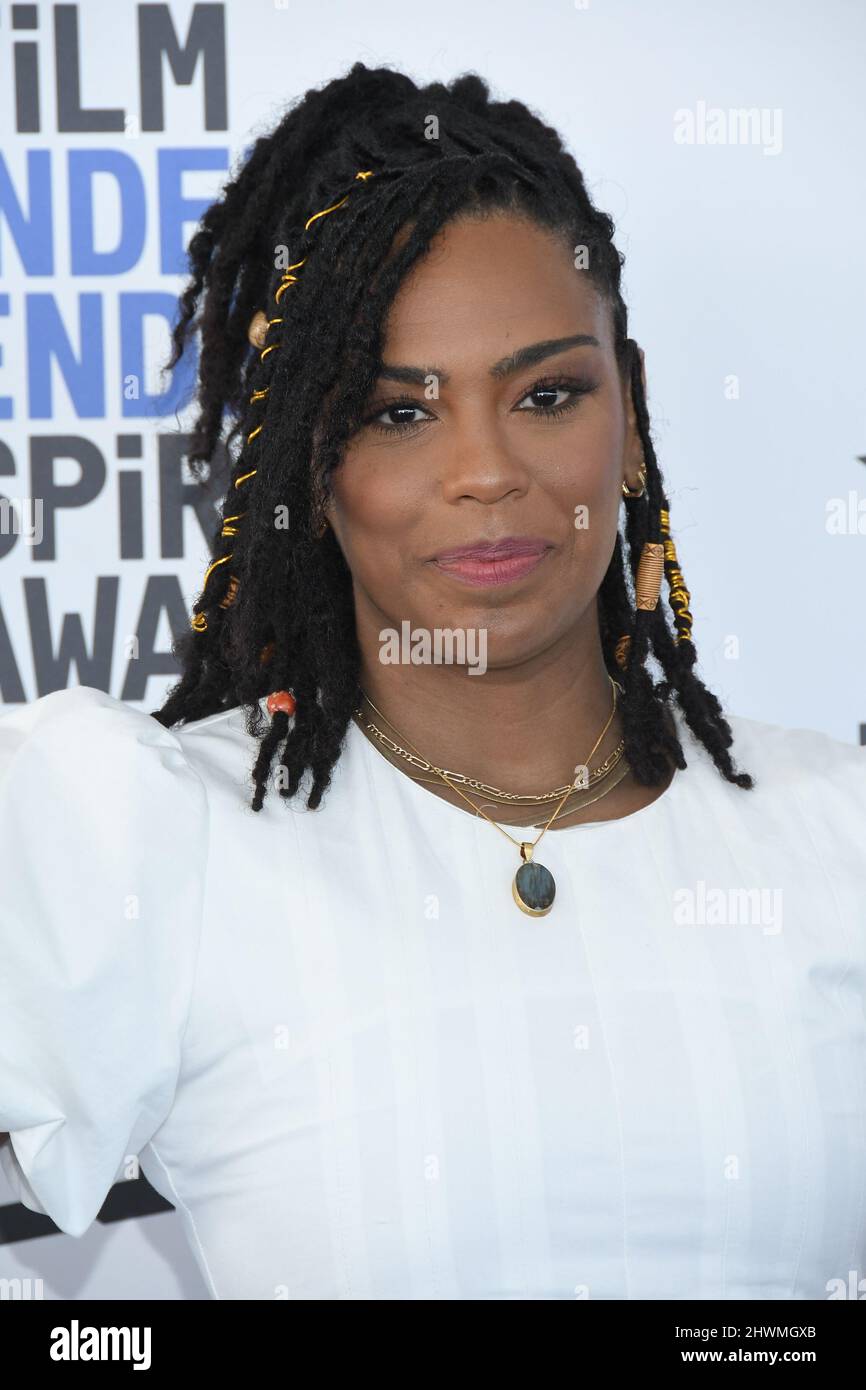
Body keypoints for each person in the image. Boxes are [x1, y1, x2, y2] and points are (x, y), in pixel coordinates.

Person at [1, 62, 864, 1302]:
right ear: (304, 454)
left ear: (629, 412)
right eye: (398, 413)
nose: (485, 471)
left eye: (547, 393)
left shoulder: (834, 836)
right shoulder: (158, 849)